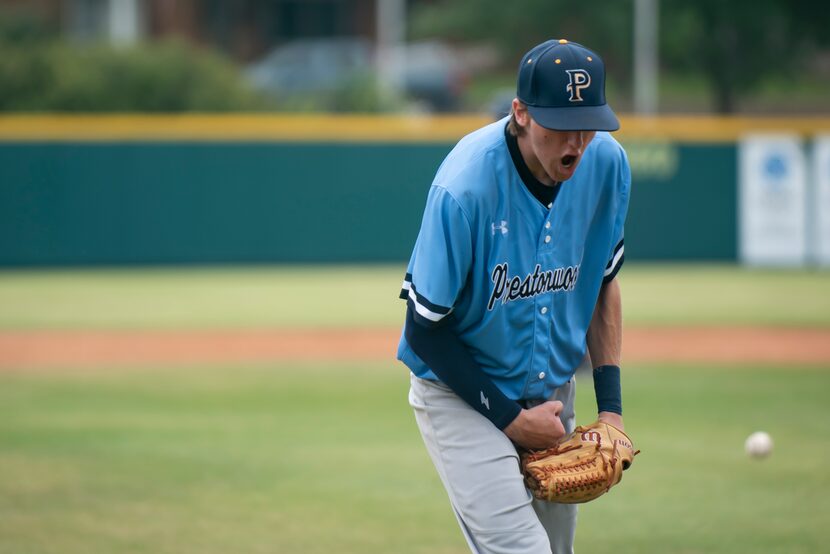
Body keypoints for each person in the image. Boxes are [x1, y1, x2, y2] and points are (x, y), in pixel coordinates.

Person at [396, 38, 631, 554]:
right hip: (462, 394)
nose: (577, 142)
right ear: (520, 113)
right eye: (560, 126)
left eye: (588, 124)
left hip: (550, 393)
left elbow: (602, 286)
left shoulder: (607, 164)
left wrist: (610, 410)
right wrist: (509, 419)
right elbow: (423, 326)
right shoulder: (465, 187)